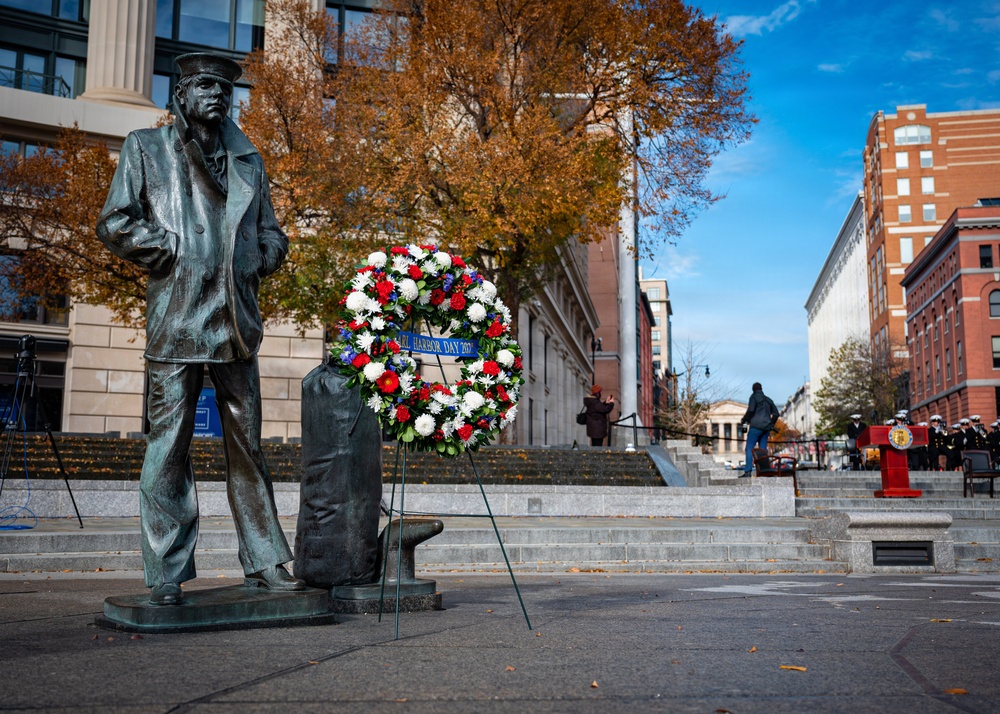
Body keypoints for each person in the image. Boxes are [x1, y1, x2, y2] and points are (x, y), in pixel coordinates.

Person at [96, 53, 303, 606]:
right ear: (181, 95)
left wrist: (265, 254)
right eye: (204, 86)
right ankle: (166, 572)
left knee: (248, 451)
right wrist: (170, 251)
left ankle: (265, 562)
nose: (217, 94)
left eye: (224, 88)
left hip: (236, 324)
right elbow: (114, 221)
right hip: (179, 318)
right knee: (168, 449)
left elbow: (273, 234)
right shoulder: (147, 148)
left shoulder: (248, 163)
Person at [740, 382, 779, 477]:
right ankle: (765, 471)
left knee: (749, 448)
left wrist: (745, 419)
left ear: (753, 389)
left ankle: (748, 471)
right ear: (761, 389)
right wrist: (771, 424)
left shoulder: (753, 397)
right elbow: (776, 414)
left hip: (755, 427)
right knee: (763, 449)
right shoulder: (768, 400)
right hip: (766, 428)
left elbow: (751, 410)